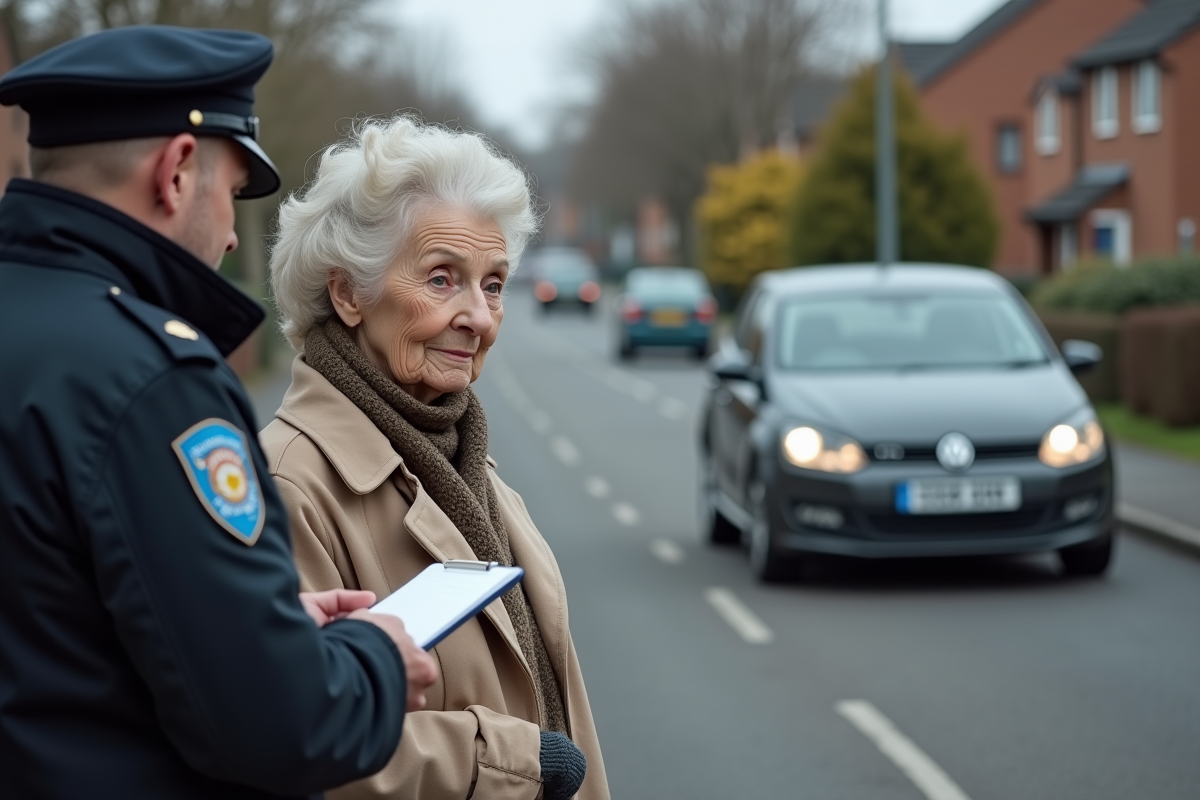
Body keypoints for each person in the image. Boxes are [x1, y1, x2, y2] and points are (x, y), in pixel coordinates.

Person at [0, 26, 437, 799]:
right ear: (175, 172)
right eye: (232, 194)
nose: (235, 235)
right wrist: (373, 656)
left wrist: (243, 618)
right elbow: (286, 728)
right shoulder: (149, 379)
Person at [263, 115, 610, 800]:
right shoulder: (288, 484)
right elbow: (286, 740)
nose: (479, 317)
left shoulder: (471, 470)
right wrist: (513, 761)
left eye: (494, 283)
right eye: (443, 279)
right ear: (347, 294)